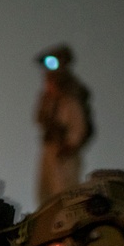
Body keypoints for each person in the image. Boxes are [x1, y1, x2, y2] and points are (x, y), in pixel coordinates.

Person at [33, 44, 94, 206]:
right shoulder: (48, 96)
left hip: (64, 152)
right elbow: (39, 119)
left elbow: (78, 126)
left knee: (65, 197)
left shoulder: (71, 94)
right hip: (50, 148)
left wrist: (69, 145)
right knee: (45, 196)